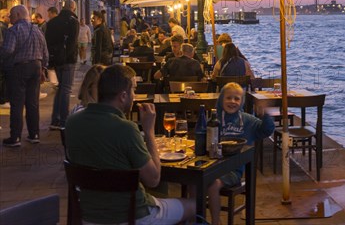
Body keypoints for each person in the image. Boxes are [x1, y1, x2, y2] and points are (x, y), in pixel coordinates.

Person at [65, 64, 195, 224]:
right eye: (134, 90)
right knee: (194, 205)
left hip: (89, 216)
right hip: (131, 215)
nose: (135, 95)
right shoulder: (126, 129)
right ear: (123, 96)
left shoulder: (72, 122)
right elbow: (153, 179)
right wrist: (149, 131)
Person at [207, 82, 274, 225]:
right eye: (228, 98)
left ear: (241, 102)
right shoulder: (214, 118)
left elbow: (265, 131)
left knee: (213, 185)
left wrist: (265, 116)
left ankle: (215, 221)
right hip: (211, 165)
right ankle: (193, 218)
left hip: (233, 170)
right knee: (195, 183)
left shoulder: (247, 120)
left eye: (237, 99)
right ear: (221, 100)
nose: (232, 101)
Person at [0, 5, 49, 146]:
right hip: (36, 68)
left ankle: (15, 137)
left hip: (19, 68)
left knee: (17, 103)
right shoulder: (38, 30)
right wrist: (43, 69)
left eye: (11, 15)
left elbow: (8, 50)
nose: (10, 18)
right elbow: (45, 52)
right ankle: (34, 134)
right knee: (32, 103)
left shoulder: (14, 30)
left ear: (18, 15)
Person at [45, 0, 79, 131]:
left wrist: (52, 59)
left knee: (60, 89)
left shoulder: (52, 22)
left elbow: (48, 41)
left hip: (56, 59)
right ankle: (64, 121)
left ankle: (55, 119)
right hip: (68, 60)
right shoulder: (73, 21)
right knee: (66, 89)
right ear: (72, 8)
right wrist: (67, 56)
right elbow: (72, 42)